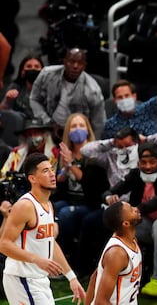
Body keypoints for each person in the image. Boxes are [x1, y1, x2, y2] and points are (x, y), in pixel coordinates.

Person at [0, 153, 85, 304]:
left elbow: (50, 243)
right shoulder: (25, 205)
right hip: (22, 278)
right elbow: (3, 244)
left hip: (39, 279)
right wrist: (36, 259)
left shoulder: (49, 205)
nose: (52, 174)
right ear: (32, 178)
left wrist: (71, 277)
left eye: (52, 169)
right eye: (45, 171)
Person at [103, 142, 157, 297]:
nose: (148, 166)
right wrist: (108, 197)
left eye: (152, 162)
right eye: (143, 162)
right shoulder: (135, 174)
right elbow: (111, 190)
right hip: (147, 224)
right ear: (138, 163)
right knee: (123, 224)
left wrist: (138, 210)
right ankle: (122, 271)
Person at [30, 47, 106, 140]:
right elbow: (34, 99)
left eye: (80, 63)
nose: (75, 66)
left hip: (77, 135)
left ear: (85, 66)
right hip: (47, 128)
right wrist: (47, 121)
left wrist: (92, 147)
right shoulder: (47, 74)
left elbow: (98, 124)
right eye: (71, 61)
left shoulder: (92, 90)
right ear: (64, 62)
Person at [54, 113, 96, 266]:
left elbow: (89, 183)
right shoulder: (65, 153)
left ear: (88, 130)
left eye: (81, 126)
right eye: (73, 126)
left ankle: (66, 259)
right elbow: (60, 183)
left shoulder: (94, 153)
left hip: (89, 202)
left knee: (65, 214)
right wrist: (65, 169)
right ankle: (52, 256)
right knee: (53, 207)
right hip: (70, 199)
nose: (77, 129)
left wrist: (71, 164)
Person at [85, 201, 143, 305]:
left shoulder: (132, 241)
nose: (136, 208)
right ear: (126, 223)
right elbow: (101, 302)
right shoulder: (117, 253)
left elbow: (94, 278)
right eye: (131, 209)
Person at [103, 68, 157, 138]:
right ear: (114, 101)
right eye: (120, 97)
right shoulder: (110, 126)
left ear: (134, 96)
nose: (124, 99)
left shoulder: (148, 109)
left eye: (127, 96)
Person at [0, 54, 44, 118]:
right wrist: (7, 101)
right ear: (22, 72)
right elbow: (1, 112)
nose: (33, 69)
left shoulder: (49, 89)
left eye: (37, 67)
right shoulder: (15, 87)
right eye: (29, 66)